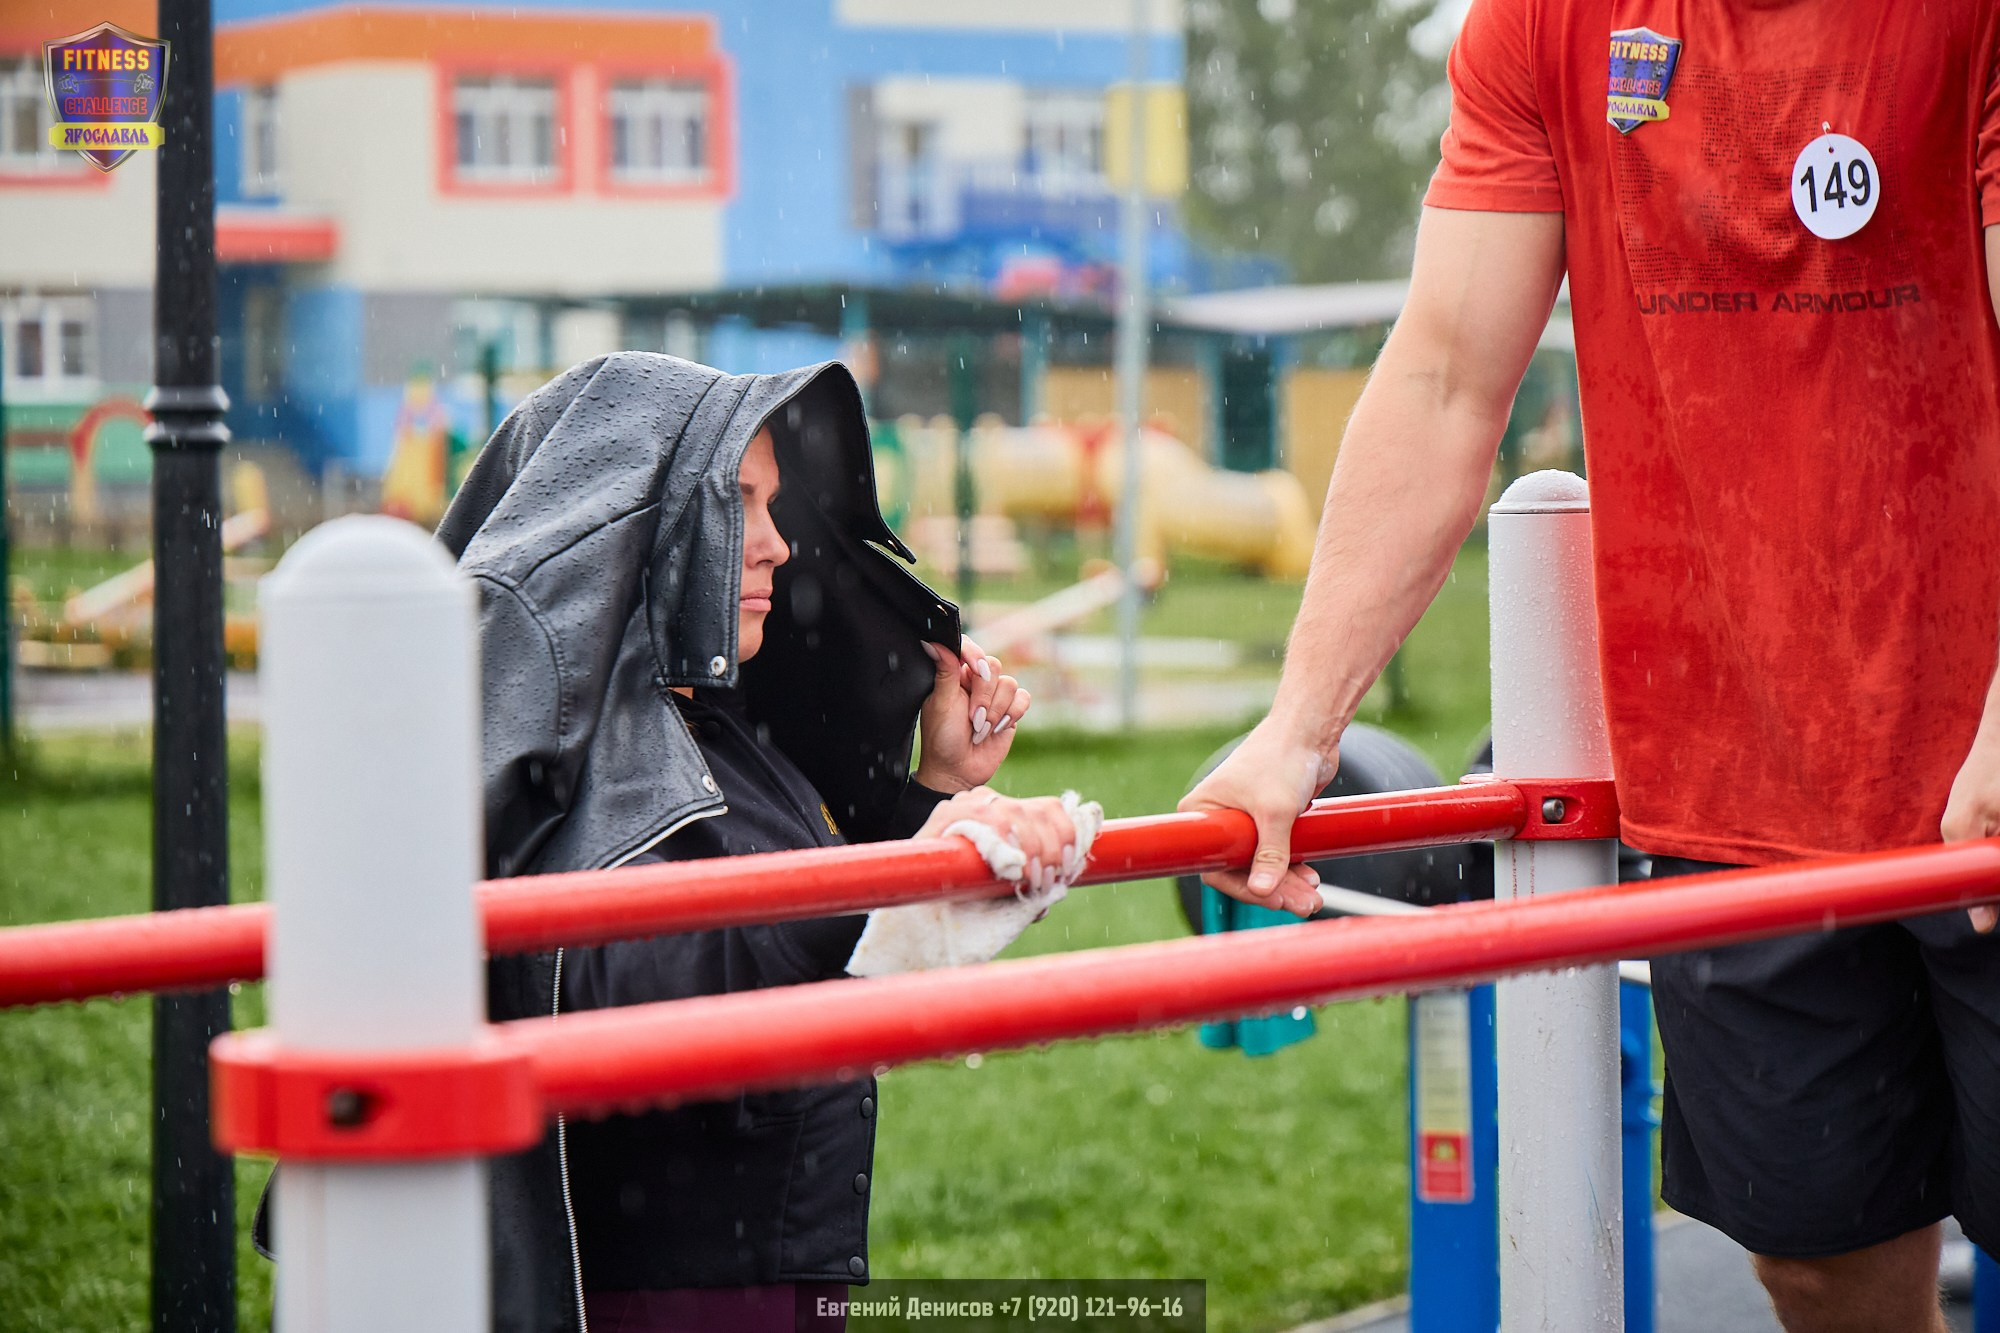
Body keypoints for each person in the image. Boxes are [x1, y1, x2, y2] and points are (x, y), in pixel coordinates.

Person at [1183, 5, 2000, 1330]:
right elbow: (1447, 374)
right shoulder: (1549, 27)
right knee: (1814, 1253)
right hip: (1741, 777)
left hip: (1984, 763)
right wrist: (1297, 725)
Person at [437, 352, 1092, 1333]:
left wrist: (934, 799)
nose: (779, 546)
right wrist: (896, 882)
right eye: (740, 504)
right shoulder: (583, 750)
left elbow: (785, 907)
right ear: (650, 524)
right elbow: (623, 969)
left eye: (779, 507)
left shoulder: (718, 722)